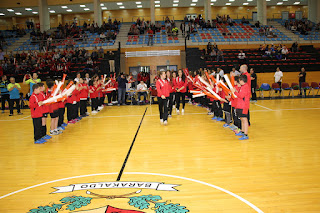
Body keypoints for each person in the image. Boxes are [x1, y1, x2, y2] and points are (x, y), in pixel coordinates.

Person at [231, 75, 250, 140]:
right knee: (241, 119)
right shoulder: (243, 86)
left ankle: (246, 134)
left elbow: (241, 95)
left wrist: (235, 92)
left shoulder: (245, 87)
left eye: (239, 81)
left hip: (243, 106)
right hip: (240, 105)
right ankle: (242, 131)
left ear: (242, 81)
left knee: (244, 119)